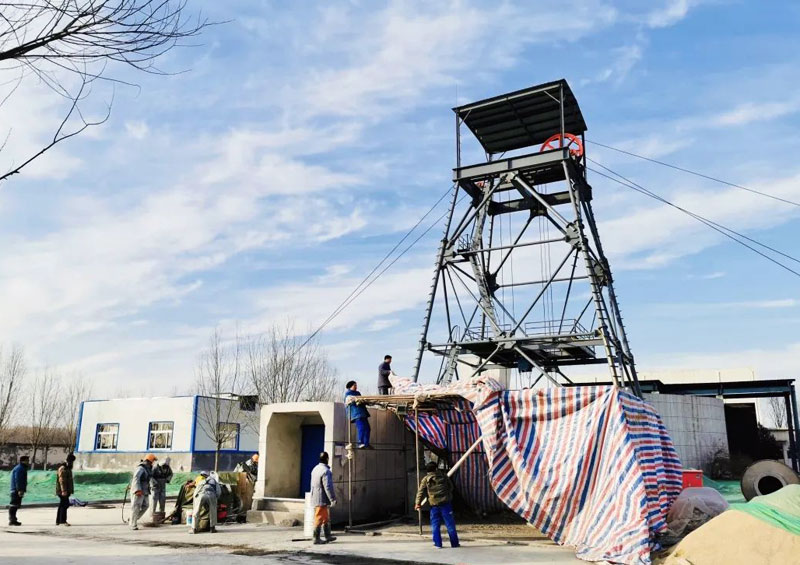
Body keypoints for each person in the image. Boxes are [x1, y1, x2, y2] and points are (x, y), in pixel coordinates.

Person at [414, 461, 460, 549]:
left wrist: (417, 503)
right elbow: (451, 487)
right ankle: (454, 544)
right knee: (450, 525)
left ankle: (438, 544)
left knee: (435, 525)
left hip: (434, 505)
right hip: (446, 504)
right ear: (436, 468)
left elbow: (420, 492)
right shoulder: (444, 476)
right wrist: (446, 495)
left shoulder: (426, 479)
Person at [309, 451, 337, 545]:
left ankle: (328, 536)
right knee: (319, 517)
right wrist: (332, 498)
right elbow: (328, 487)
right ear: (327, 459)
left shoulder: (315, 469)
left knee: (325, 517)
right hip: (322, 498)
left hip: (315, 496)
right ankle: (316, 538)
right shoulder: (326, 471)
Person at [130, 453, 156, 530]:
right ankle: (133, 524)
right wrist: (137, 490)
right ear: (149, 461)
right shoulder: (141, 468)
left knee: (146, 505)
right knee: (136, 507)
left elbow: (149, 478)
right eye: (153, 461)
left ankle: (133, 518)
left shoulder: (147, 468)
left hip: (145, 491)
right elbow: (136, 478)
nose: (153, 462)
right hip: (139, 491)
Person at [344, 381, 371, 449]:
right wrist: (358, 400)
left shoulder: (358, 393)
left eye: (356, 385)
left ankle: (366, 443)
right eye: (354, 385)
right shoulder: (348, 394)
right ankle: (360, 443)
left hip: (362, 413)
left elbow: (361, 401)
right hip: (356, 414)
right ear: (350, 386)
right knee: (361, 427)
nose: (356, 387)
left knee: (367, 428)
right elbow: (349, 401)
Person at [55, 452, 76, 526]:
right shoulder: (63, 468)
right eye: (71, 462)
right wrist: (64, 490)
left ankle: (58, 520)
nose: (72, 463)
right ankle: (63, 520)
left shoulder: (67, 468)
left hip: (65, 490)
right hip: (62, 490)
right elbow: (62, 480)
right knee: (65, 505)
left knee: (62, 505)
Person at [8, 455, 29, 526]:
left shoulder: (21, 468)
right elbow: (18, 480)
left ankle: (13, 519)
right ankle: (12, 520)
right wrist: (20, 490)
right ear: (23, 461)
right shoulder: (20, 468)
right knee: (14, 505)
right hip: (16, 490)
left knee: (15, 505)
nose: (28, 462)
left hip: (16, 489)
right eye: (27, 461)